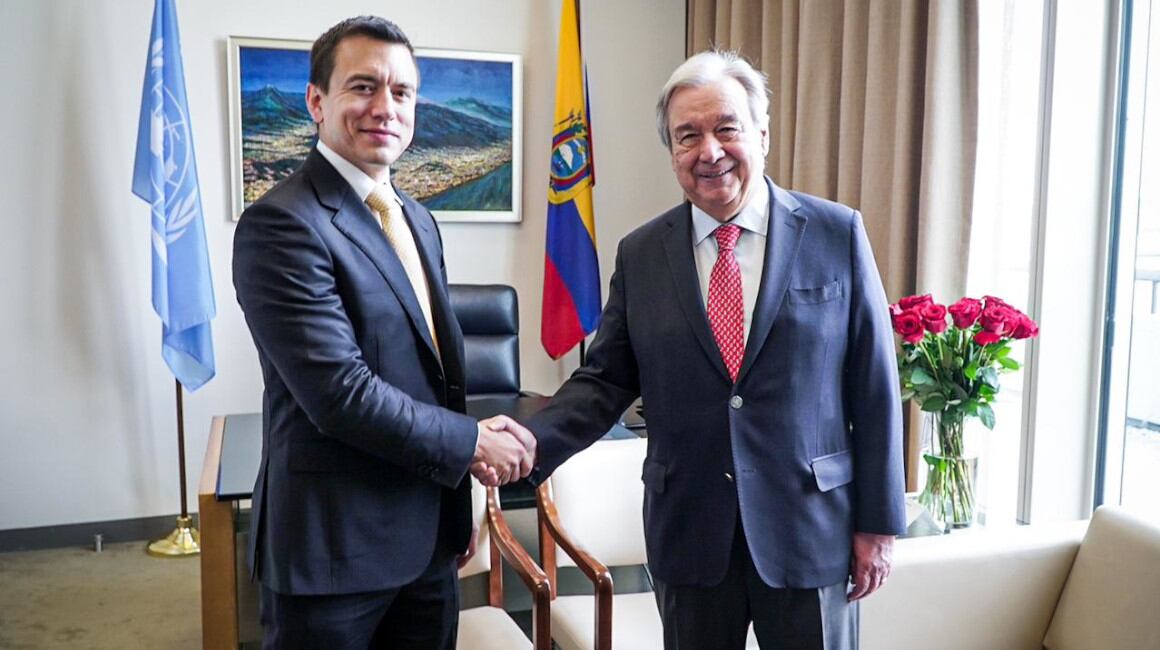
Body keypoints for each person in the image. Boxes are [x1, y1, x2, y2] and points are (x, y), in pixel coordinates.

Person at [526, 50, 907, 650]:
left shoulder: (837, 233)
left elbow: (876, 388)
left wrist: (879, 524)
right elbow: (602, 382)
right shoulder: (642, 254)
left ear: (761, 132)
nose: (709, 151)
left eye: (726, 127)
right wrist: (525, 442)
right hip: (691, 533)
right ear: (672, 152)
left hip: (810, 528)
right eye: (688, 136)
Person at [232, 16, 533, 649]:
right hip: (334, 554)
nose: (385, 108)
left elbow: (431, 376)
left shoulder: (417, 218)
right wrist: (472, 442)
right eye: (363, 87)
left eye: (402, 93)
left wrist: (457, 505)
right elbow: (339, 392)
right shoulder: (281, 224)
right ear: (317, 101)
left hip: (425, 542)